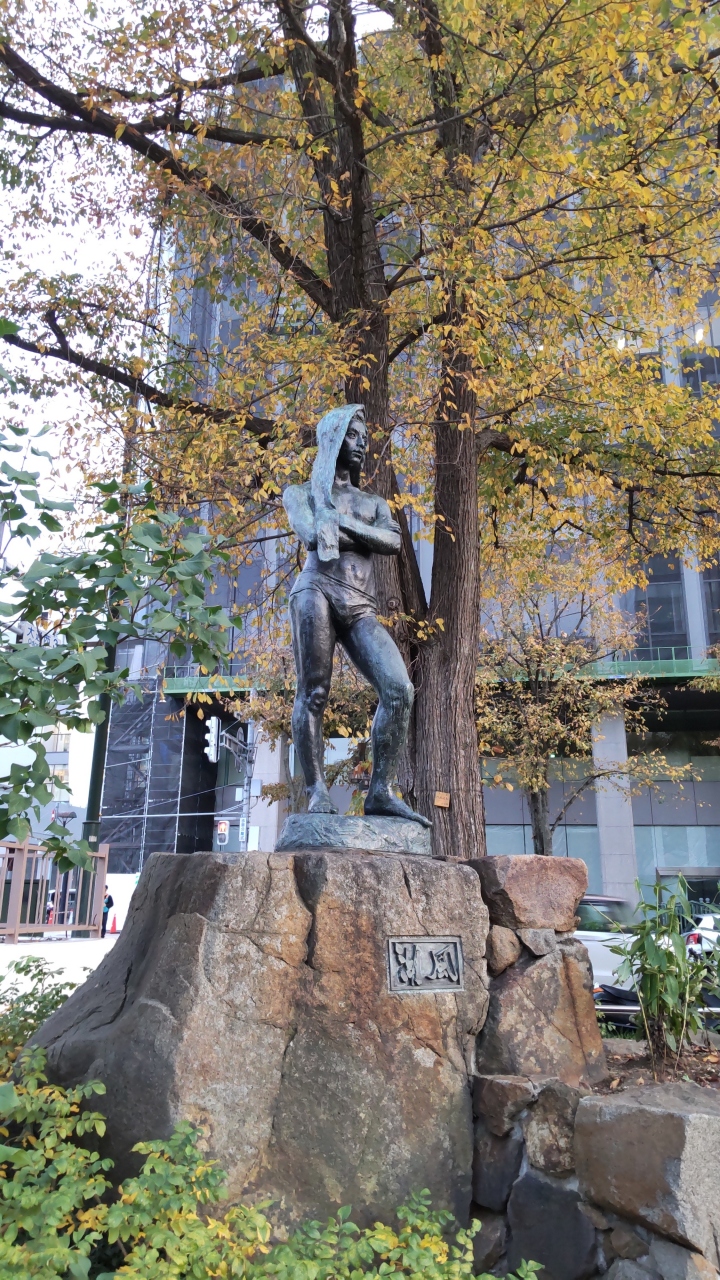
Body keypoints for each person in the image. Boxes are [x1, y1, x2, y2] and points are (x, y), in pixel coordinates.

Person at [283, 404, 430, 826]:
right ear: (332, 439)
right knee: (314, 692)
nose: (362, 443)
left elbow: (392, 543)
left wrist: (340, 523)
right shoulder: (300, 494)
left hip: (360, 605)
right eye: (353, 435)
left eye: (365, 437)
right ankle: (316, 791)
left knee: (399, 689)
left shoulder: (373, 503)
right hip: (316, 591)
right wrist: (342, 528)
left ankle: (380, 791)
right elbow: (312, 534)